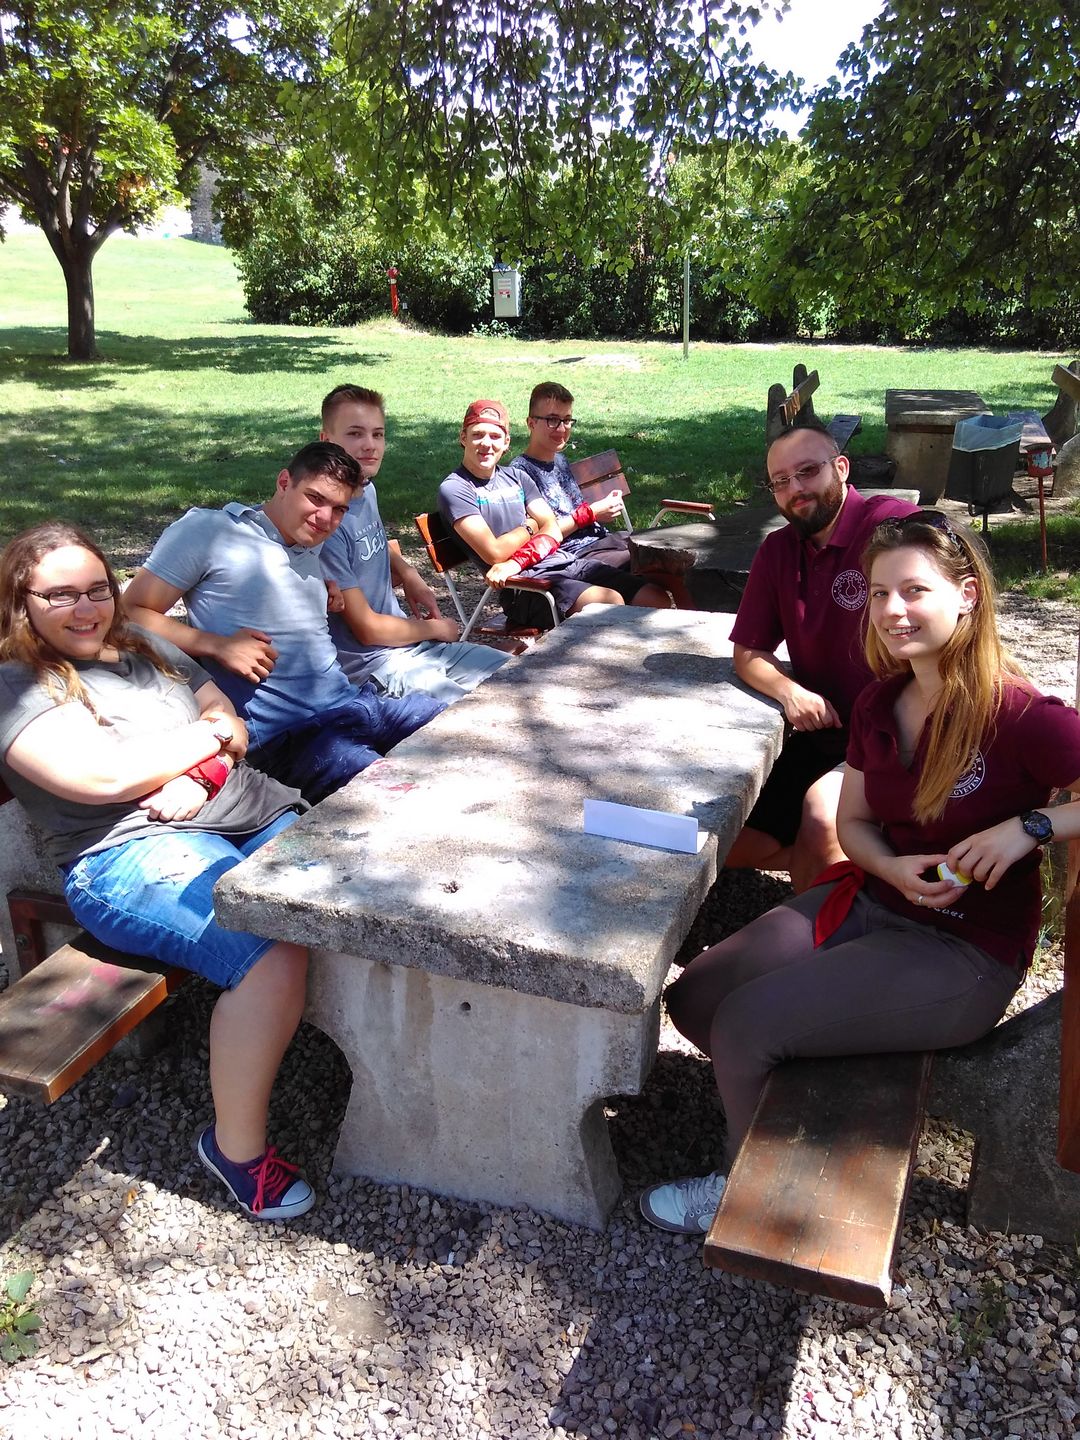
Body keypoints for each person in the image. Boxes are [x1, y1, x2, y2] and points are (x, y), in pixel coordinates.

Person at [640, 510, 1080, 1234]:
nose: (892, 610)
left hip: (963, 950)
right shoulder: (881, 701)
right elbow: (855, 827)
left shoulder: (1022, 713)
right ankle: (805, 1099)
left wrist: (1030, 826)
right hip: (874, 902)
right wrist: (894, 869)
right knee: (696, 1000)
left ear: (967, 594)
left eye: (914, 590)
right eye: (878, 593)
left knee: (745, 1026)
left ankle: (752, 1194)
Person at [0, 521, 317, 1220]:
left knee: (350, 896)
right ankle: (236, 1153)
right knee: (270, 949)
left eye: (97, 590)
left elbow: (231, 722)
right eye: (60, 596)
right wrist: (206, 741)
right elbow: (102, 777)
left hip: (236, 806)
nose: (86, 608)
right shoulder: (16, 683)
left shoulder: (144, 643)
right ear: (21, 602)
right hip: (129, 850)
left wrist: (202, 771)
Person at [122, 441, 443, 805]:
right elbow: (128, 613)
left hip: (356, 704)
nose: (326, 519)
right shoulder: (209, 531)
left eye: (339, 509)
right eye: (315, 498)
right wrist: (215, 645)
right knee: (399, 795)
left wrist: (323, 591)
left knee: (459, 733)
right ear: (284, 482)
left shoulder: (308, 541)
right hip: (294, 739)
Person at [725, 420, 919, 892]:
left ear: (842, 468)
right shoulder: (778, 550)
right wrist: (790, 692)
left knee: (820, 817)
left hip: (899, 739)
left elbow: (951, 591)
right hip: (826, 735)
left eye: (808, 471)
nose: (795, 489)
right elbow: (748, 651)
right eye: (780, 481)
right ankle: (846, 869)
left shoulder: (889, 528)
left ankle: (830, 918)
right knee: (725, 840)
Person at [317, 384, 509, 702]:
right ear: (327, 440)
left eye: (378, 434)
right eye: (355, 434)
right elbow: (367, 629)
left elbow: (374, 540)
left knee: (519, 675)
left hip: (414, 649)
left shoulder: (366, 490)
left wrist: (408, 573)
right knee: (475, 709)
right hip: (374, 670)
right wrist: (436, 629)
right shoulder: (325, 523)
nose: (369, 445)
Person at [438, 399, 667, 626]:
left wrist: (518, 557)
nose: (487, 444)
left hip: (563, 563)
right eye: (478, 435)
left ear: (506, 442)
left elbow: (553, 528)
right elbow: (495, 553)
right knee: (609, 603)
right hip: (525, 587)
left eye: (495, 436)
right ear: (463, 437)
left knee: (655, 599)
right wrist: (531, 526)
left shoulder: (517, 478)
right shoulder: (456, 489)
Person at [505, 380, 668, 610]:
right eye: (552, 420)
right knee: (658, 580)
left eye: (567, 420)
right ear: (531, 423)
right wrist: (591, 513)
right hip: (574, 556)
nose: (562, 428)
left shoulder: (559, 460)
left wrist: (599, 511)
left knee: (669, 568)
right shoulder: (520, 473)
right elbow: (539, 536)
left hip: (600, 542)